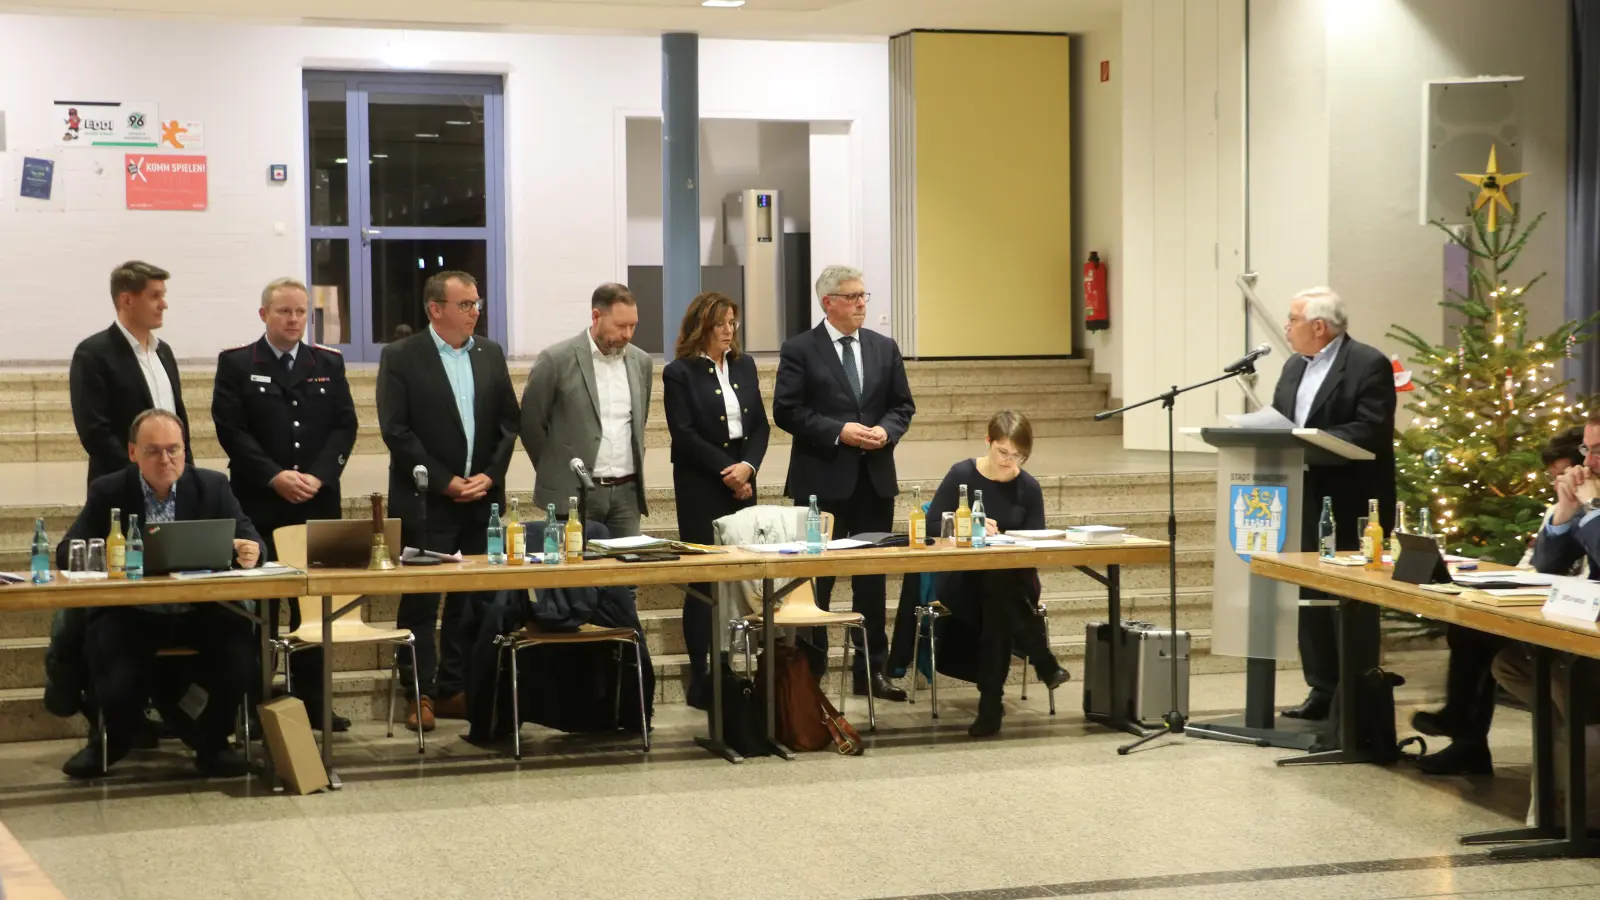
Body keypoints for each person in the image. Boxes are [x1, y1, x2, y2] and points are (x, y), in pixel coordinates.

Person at [56, 410, 262, 778]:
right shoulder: (109, 490)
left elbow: (254, 541)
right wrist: (110, 555)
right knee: (112, 670)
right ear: (133, 452)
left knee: (240, 656)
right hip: (131, 613)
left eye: (173, 449)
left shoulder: (213, 486)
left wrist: (252, 551)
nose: (165, 459)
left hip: (200, 611)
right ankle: (111, 742)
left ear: (185, 449)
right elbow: (65, 552)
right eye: (153, 451)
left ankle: (213, 743)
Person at [212, 277, 358, 731]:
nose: (294, 320)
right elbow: (231, 429)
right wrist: (274, 476)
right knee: (261, 610)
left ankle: (314, 701)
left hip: (316, 501)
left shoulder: (327, 363)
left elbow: (345, 426)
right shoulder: (237, 363)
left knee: (314, 607)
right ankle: (257, 704)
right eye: (284, 311)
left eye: (300, 312)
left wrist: (320, 475)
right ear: (264, 315)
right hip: (260, 504)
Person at [377, 271, 520, 732]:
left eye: (477, 303)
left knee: (470, 600)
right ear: (435, 309)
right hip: (427, 501)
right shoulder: (402, 356)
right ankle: (418, 691)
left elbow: (509, 423)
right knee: (421, 602)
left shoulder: (489, 353)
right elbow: (396, 429)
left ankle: (454, 688)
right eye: (465, 304)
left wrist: (490, 475)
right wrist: (445, 482)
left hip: (480, 499)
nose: (475, 311)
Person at [772, 264, 915, 701]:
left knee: (871, 581)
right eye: (852, 297)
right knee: (819, 581)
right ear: (828, 302)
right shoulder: (800, 349)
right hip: (822, 482)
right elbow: (787, 411)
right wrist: (839, 431)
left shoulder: (883, 347)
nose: (860, 304)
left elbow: (902, 406)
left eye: (863, 296)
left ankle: (870, 672)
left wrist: (886, 431)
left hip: (874, 481)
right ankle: (811, 673)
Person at [1410, 429, 1585, 775]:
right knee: (1470, 627)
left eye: (1565, 474)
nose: (1559, 483)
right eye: (1553, 477)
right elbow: (1539, 563)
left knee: (1481, 637)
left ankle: (1465, 734)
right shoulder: (1560, 507)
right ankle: (1466, 737)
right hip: (1541, 595)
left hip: (1575, 609)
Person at [1270, 286, 1396, 721]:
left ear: (1319, 327)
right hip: (1304, 493)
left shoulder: (1367, 363)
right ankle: (1322, 688)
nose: (1287, 326)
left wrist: (1315, 440)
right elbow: (1281, 421)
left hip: (1352, 499)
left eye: (1293, 319)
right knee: (1310, 593)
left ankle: (1356, 690)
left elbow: (1371, 428)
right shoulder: (1293, 366)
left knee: (1350, 596)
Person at [925, 411, 1070, 736]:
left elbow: (1036, 544)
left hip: (1015, 580)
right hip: (963, 581)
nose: (1009, 461)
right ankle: (1040, 657)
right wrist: (965, 523)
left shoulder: (1028, 487)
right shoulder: (962, 474)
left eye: (1018, 455)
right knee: (997, 593)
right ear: (988, 441)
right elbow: (932, 524)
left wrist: (1006, 540)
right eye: (1003, 451)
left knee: (998, 592)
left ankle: (991, 707)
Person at [661, 292, 770, 709]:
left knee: (740, 576)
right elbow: (684, 434)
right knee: (704, 579)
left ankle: (730, 666)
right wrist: (729, 471)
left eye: (732, 323)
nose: (728, 330)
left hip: (744, 480)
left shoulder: (744, 365)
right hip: (702, 484)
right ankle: (701, 675)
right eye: (721, 323)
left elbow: (759, 427)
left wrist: (749, 469)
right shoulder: (679, 372)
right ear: (701, 326)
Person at [1492, 413, 1600, 812]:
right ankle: (1560, 803)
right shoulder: (1592, 493)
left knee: (1565, 679)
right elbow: (1546, 566)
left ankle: (1575, 812)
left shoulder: (1596, 497)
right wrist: (1565, 510)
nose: (1588, 462)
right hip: (1584, 625)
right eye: (1587, 449)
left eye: (1599, 451)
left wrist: (1592, 506)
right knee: (1512, 664)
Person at [520, 283, 653, 538]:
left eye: (633, 325)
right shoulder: (556, 360)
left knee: (626, 563)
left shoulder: (641, 362)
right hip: (574, 492)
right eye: (620, 325)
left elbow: (640, 420)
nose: (628, 334)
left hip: (627, 495)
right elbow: (531, 424)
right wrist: (556, 470)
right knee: (577, 563)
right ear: (596, 316)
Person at [69, 261, 191, 487]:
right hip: (122, 485)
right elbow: (95, 433)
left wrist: (186, 473)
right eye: (154, 296)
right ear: (127, 300)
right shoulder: (93, 354)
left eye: (163, 295)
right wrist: (143, 477)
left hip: (173, 484)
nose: (163, 305)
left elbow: (178, 421)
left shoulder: (163, 352)